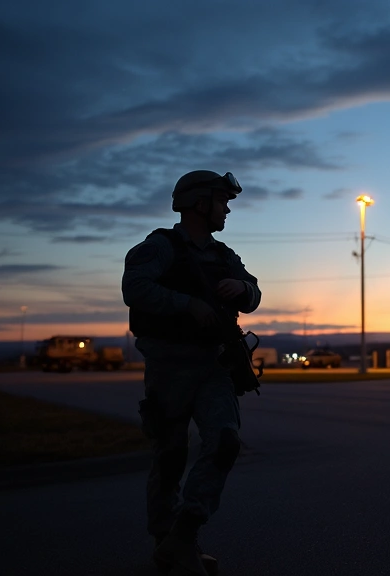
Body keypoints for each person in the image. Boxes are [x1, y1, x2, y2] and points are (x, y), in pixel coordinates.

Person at [122, 170, 262, 575]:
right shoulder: (158, 248)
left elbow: (253, 291)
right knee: (170, 455)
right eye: (222, 201)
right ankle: (165, 540)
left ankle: (184, 534)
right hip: (170, 364)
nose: (227, 209)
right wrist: (187, 305)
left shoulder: (223, 255)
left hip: (214, 364)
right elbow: (135, 289)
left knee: (225, 442)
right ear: (200, 203)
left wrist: (242, 289)